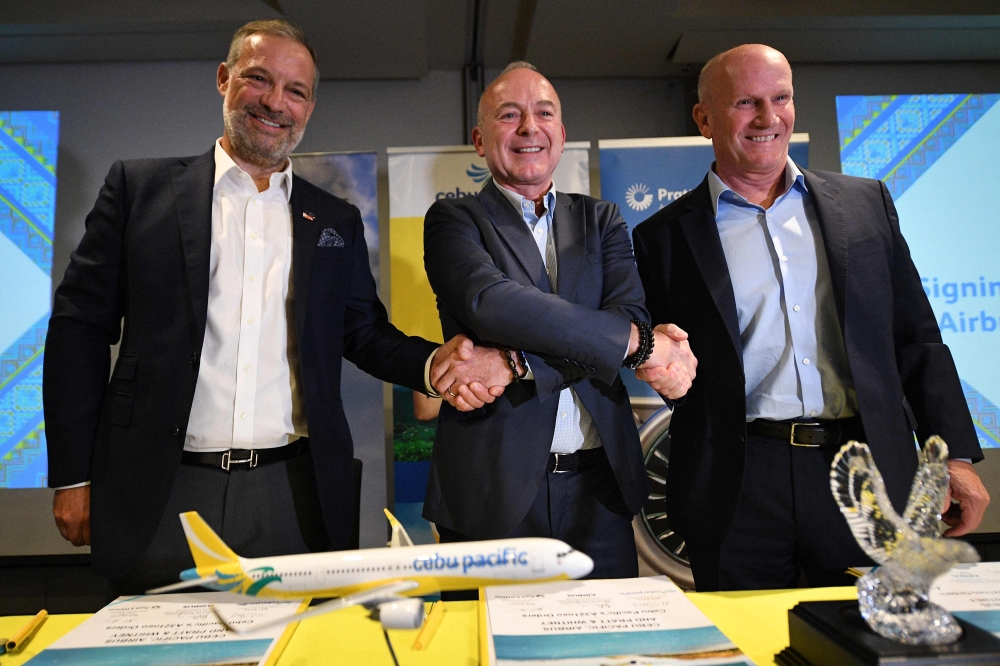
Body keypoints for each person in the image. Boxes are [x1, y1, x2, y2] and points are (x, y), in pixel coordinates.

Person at [44, 19, 504, 593]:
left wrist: (435, 366)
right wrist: (71, 476)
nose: (275, 102)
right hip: (159, 490)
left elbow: (362, 333)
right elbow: (78, 331)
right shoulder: (140, 191)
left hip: (293, 494)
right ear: (224, 79)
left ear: (310, 106)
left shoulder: (333, 219)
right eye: (258, 79)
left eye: (296, 91)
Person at [632, 44, 990, 591]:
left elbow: (916, 338)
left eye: (781, 99)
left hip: (866, 473)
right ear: (704, 118)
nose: (768, 118)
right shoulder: (661, 238)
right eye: (746, 102)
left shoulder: (866, 204)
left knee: (872, 641)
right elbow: (669, 365)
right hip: (738, 485)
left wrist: (956, 457)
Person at [421, 62, 697, 593]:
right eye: (509, 115)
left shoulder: (604, 220)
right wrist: (633, 347)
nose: (529, 127)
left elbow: (628, 318)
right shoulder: (454, 221)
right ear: (480, 140)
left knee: (604, 645)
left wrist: (512, 361)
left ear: (562, 136)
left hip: (602, 487)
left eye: (544, 113)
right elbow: (493, 305)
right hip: (490, 491)